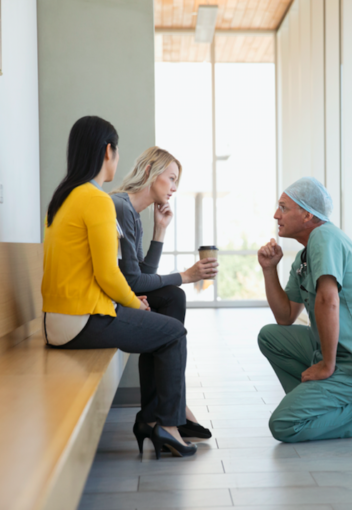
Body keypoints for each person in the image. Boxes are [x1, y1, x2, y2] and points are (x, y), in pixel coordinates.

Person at [41, 116, 196, 458]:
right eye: (117, 151)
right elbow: (110, 275)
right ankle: (167, 425)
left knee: (166, 320)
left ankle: (158, 420)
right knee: (173, 334)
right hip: (82, 319)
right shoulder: (97, 200)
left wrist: (130, 299)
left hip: (60, 319)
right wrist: (134, 303)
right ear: (108, 151)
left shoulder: (64, 197)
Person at [256, 176, 352, 443]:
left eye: (284, 207)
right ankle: (322, 406)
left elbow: (327, 300)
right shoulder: (304, 256)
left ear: (308, 214)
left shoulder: (324, 236)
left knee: (284, 425)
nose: (276, 214)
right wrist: (269, 270)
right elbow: (285, 316)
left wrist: (327, 365)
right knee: (270, 336)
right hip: (339, 352)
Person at [110, 147, 218, 439]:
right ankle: (166, 411)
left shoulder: (132, 213)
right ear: (149, 172)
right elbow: (134, 281)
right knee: (173, 296)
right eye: (171, 178)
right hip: (103, 302)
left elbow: (141, 273)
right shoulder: (120, 207)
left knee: (172, 297)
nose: (173, 188)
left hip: (116, 292)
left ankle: (156, 412)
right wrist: (186, 275)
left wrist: (160, 230)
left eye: (176, 182)